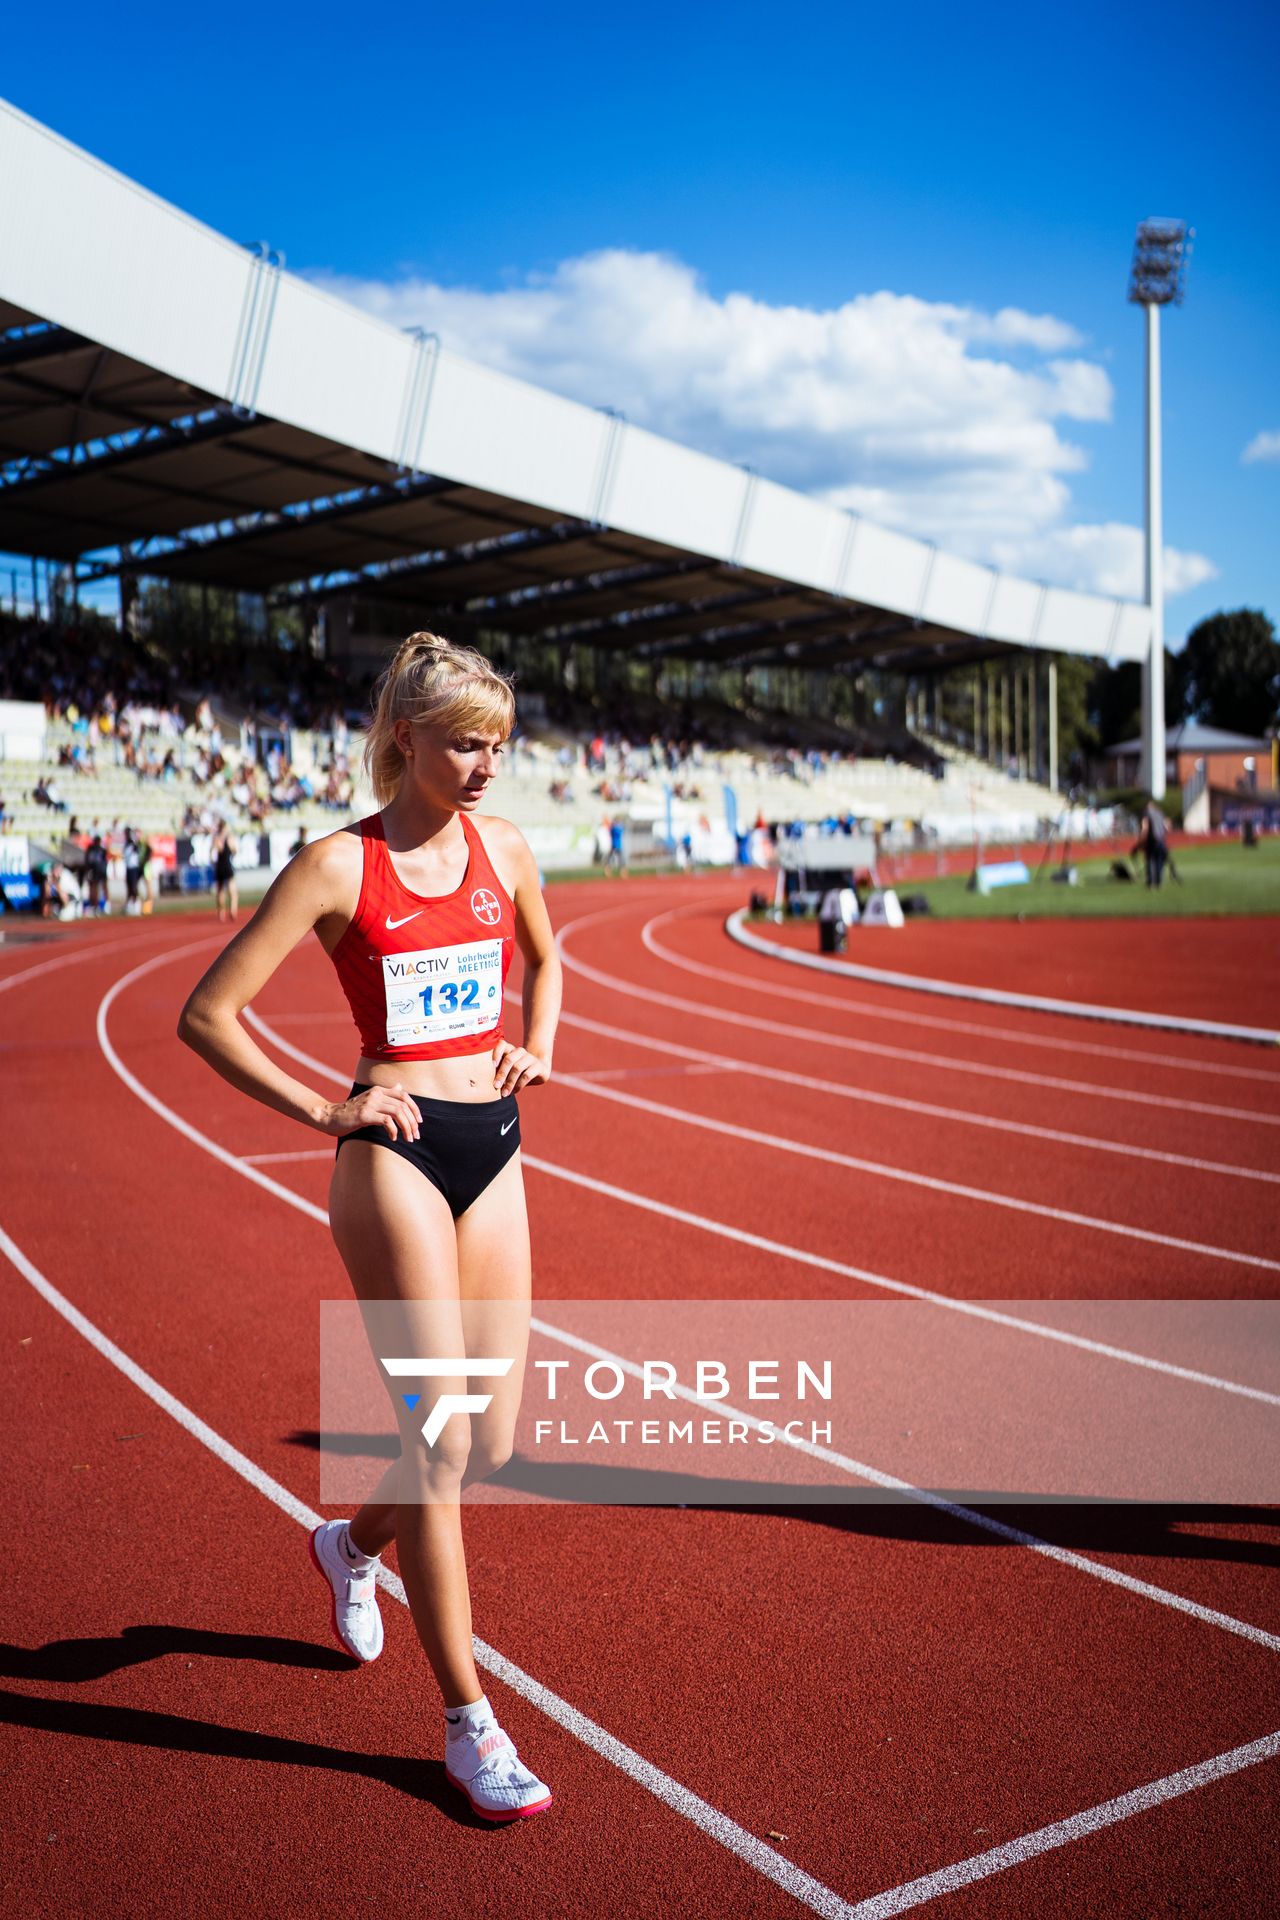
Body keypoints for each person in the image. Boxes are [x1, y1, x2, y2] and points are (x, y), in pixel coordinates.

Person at [177, 633, 562, 1823]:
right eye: (465, 743)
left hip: (492, 1149)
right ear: (405, 737)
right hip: (391, 1159)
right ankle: (467, 1723)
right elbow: (209, 1014)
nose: (488, 765)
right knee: (440, 1447)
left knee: (485, 1442)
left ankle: (348, 1547)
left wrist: (536, 1044)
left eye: (499, 743)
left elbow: (546, 961)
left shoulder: (504, 844)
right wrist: (324, 1107)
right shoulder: (336, 866)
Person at [1133, 801, 1169, 889]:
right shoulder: (1160, 813)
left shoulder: (1147, 814)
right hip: (1161, 840)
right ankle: (1159, 881)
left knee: (1150, 859)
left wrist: (1139, 842)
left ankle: (1150, 882)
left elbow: (1145, 828)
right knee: (1159, 860)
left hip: (1152, 840)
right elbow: (1167, 826)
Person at [212, 822, 238, 922]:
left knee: (220, 891)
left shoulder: (216, 839)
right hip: (227, 866)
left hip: (219, 866)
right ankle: (232, 910)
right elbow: (234, 851)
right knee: (233, 892)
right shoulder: (229, 838)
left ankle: (221, 914)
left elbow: (212, 854)